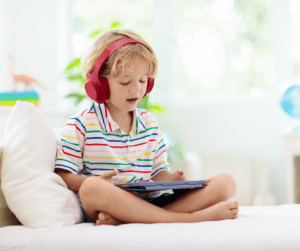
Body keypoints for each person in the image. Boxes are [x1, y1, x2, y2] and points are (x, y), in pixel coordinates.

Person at [55, 29, 239, 226]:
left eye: (143, 80)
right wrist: (98, 183)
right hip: (109, 202)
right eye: (125, 82)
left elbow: (157, 172)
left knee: (226, 183)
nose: (136, 89)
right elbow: (63, 175)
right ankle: (188, 218)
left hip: (149, 202)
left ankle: (128, 220)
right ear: (99, 84)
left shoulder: (149, 122)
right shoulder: (80, 124)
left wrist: (172, 179)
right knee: (91, 188)